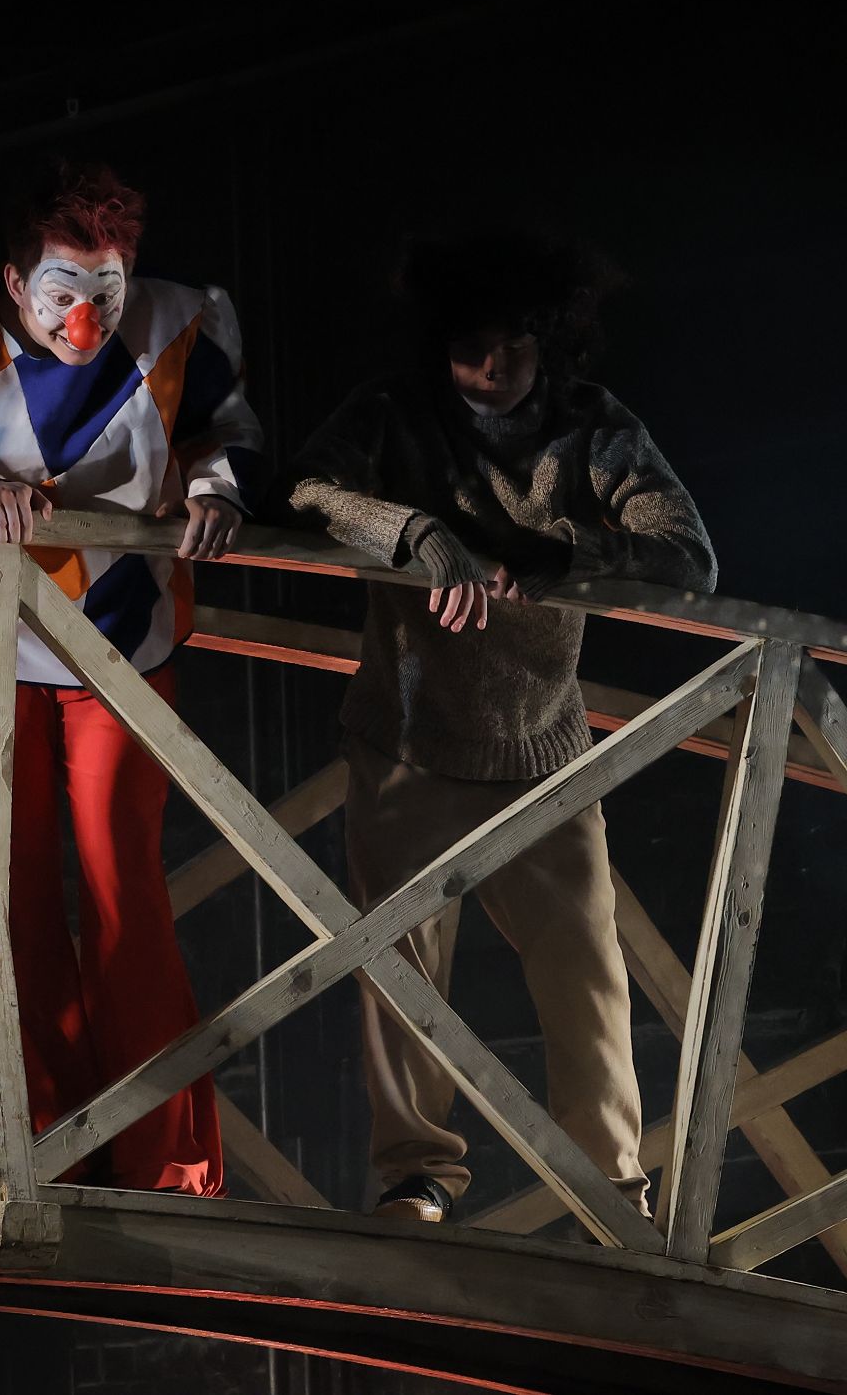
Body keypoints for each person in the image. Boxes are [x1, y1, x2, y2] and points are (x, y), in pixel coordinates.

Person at [282, 229, 717, 1224]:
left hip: (539, 747)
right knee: (399, 972)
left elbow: (690, 555)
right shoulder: (397, 410)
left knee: (585, 973)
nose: (493, 367)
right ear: (441, 344)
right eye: (471, 346)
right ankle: (417, 1176)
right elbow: (305, 489)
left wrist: (564, 548)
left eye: (515, 344)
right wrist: (411, 530)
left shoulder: (588, 421)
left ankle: (609, 1189)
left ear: (549, 339)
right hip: (406, 740)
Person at [0, 160, 258, 1192]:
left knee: (126, 889)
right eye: (62, 293)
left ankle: (166, 1160)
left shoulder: (179, 322)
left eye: (106, 293)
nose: (86, 320)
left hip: (121, 642)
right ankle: (43, 1153)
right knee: (12, 897)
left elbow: (220, 431)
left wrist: (215, 487)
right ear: (11, 278)